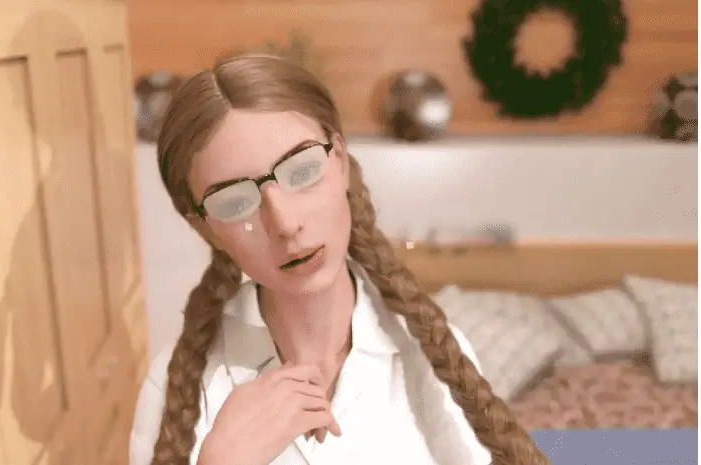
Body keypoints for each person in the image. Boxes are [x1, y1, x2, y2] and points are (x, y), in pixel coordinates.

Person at [129, 53, 549, 465]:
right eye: (236, 202)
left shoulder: (432, 359)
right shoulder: (174, 385)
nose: (285, 223)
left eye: (301, 171)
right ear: (205, 229)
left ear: (341, 162)